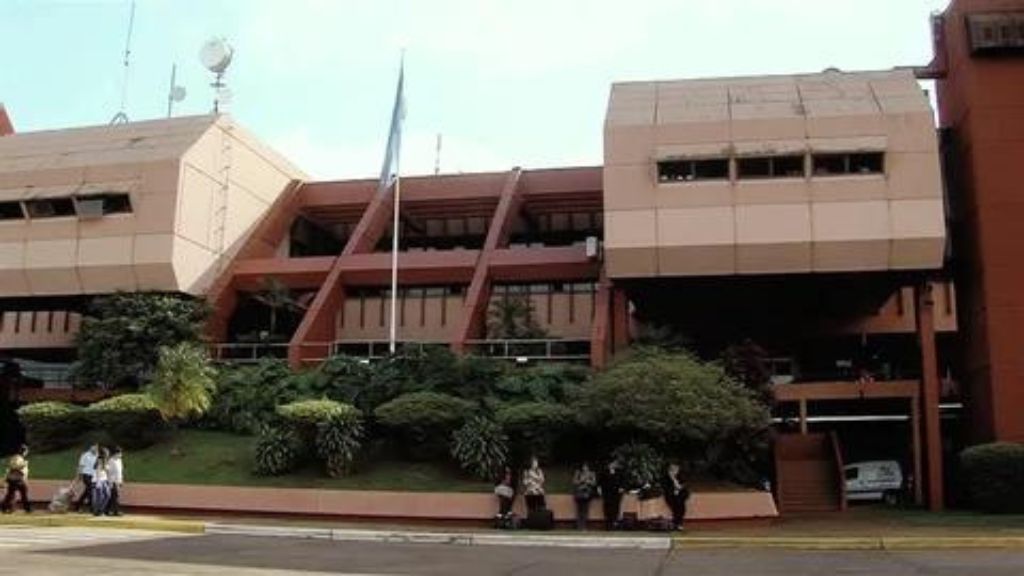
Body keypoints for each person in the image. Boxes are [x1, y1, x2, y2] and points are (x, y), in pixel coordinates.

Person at [1, 444, 30, 514]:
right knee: (22, 494)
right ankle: (27, 509)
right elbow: (14, 467)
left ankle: (5, 507)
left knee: (11, 494)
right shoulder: (18, 458)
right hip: (16, 479)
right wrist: (23, 465)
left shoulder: (18, 458)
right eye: (26, 451)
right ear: (24, 451)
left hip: (16, 479)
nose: (26, 453)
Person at [661, 462, 690, 530]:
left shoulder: (680, 477)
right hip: (671, 496)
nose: (676, 471)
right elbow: (666, 488)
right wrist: (673, 482)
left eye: (677, 470)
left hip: (680, 496)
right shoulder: (665, 478)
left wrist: (679, 486)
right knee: (676, 508)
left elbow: (683, 485)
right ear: (670, 470)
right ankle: (676, 523)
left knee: (681, 507)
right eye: (674, 470)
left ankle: (678, 523)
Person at [597, 460, 624, 530]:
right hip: (607, 493)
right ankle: (607, 524)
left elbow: (622, 482)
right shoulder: (604, 472)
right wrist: (599, 490)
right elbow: (600, 482)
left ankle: (614, 523)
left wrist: (621, 488)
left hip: (616, 493)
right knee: (607, 507)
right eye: (612, 464)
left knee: (615, 508)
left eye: (615, 464)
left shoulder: (619, 472)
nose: (614, 465)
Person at [571, 462, 597, 530]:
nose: (585, 468)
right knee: (579, 510)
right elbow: (574, 481)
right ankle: (579, 525)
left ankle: (584, 525)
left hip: (587, 493)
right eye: (583, 467)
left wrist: (588, 481)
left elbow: (594, 483)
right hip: (579, 493)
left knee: (585, 510)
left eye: (586, 467)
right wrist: (581, 481)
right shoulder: (578, 473)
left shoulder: (592, 473)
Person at [74, 444, 98, 513]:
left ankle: (78, 505)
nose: (95, 448)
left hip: (93, 476)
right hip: (86, 475)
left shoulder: (97, 456)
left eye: (96, 447)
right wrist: (79, 475)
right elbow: (81, 466)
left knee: (87, 491)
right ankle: (92, 507)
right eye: (94, 447)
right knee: (90, 490)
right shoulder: (85, 455)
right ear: (90, 447)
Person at [91, 447, 111, 517]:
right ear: (104, 454)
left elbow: (107, 471)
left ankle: (100, 510)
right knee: (99, 497)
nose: (108, 454)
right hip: (97, 480)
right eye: (107, 453)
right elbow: (98, 471)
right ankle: (97, 511)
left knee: (107, 495)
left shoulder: (106, 461)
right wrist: (98, 482)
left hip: (104, 480)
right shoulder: (100, 460)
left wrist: (108, 480)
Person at [105, 447, 124, 516]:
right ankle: (116, 511)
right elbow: (108, 471)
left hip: (118, 480)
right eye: (120, 453)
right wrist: (110, 482)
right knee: (115, 496)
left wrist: (121, 481)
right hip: (112, 481)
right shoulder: (111, 461)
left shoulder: (119, 461)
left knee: (113, 496)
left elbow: (120, 471)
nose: (121, 455)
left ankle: (107, 510)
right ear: (116, 453)